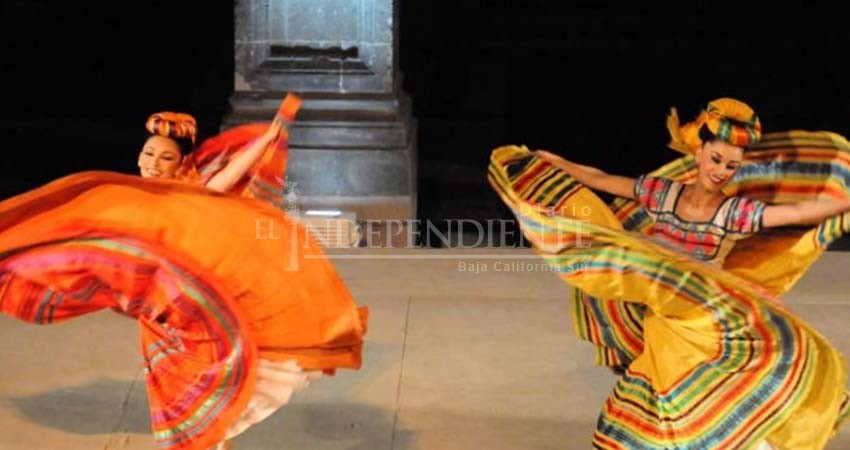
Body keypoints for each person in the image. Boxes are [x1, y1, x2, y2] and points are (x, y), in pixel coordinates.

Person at [0, 93, 368, 450]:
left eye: (164, 157)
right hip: (161, 324)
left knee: (212, 402)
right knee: (189, 408)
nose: (153, 163)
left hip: (198, 319)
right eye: (148, 154)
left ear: (180, 164)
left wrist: (270, 137)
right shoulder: (127, 196)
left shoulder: (185, 196)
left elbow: (223, 181)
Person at [488, 98, 849, 449]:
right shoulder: (661, 195)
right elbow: (603, 179)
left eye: (731, 166)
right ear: (699, 152)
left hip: (711, 321)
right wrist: (560, 163)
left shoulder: (734, 212)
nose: (721, 171)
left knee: (735, 394)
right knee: (668, 404)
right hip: (665, 323)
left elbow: (798, 213)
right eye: (716, 159)